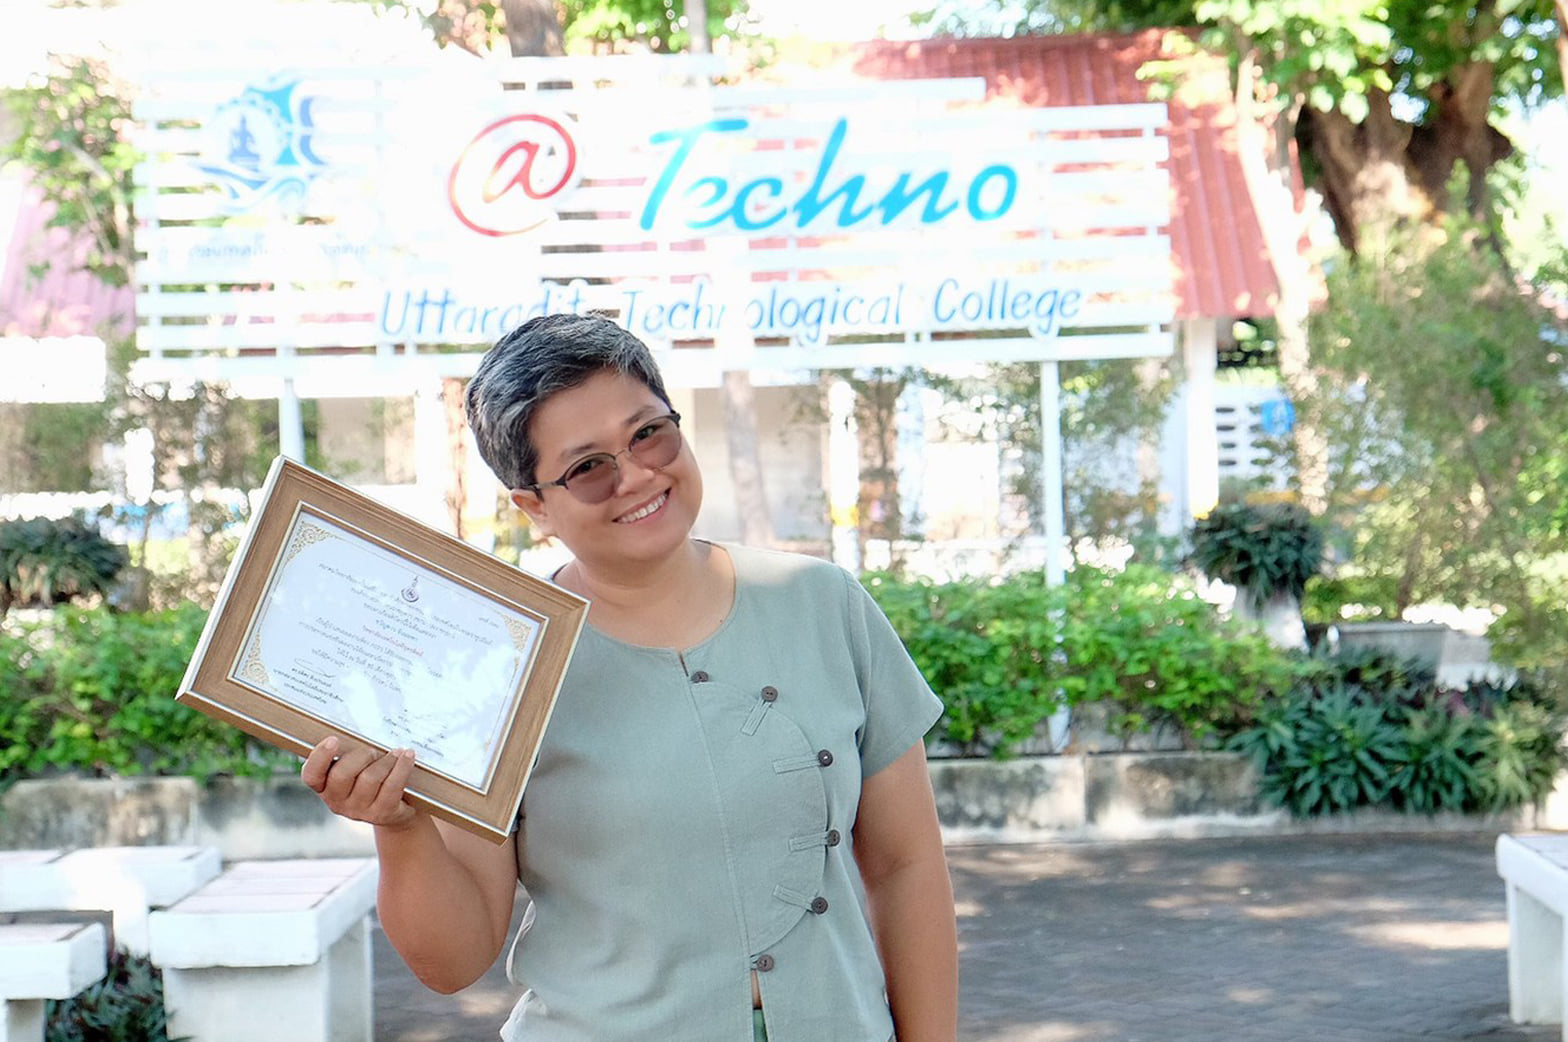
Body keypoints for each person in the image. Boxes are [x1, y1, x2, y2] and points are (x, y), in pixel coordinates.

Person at [301, 313, 958, 1042]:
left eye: (649, 433)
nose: (638, 475)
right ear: (534, 506)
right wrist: (401, 825)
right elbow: (454, 960)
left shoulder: (824, 604)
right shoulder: (495, 664)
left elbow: (906, 867)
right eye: (588, 467)